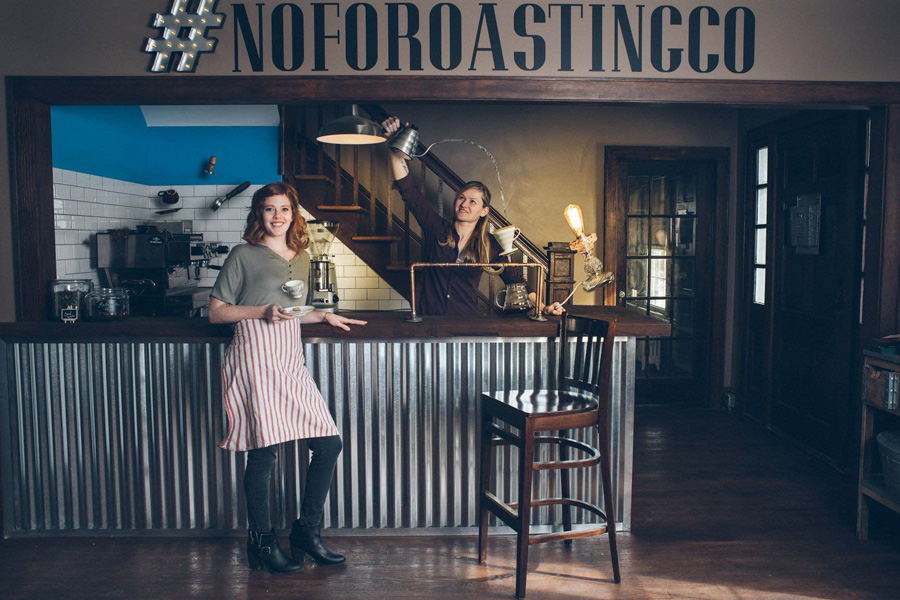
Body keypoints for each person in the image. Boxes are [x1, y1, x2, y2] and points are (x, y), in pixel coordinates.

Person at [208, 182, 366, 574]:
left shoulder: (301, 255)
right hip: (254, 355)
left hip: (288, 356)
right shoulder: (242, 255)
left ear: (294, 213)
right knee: (264, 452)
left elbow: (293, 311)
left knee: (328, 443)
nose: (277, 216)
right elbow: (216, 312)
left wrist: (324, 315)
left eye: (284, 209)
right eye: (269, 209)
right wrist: (260, 311)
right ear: (258, 214)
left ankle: (305, 532)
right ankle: (261, 541)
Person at [382, 117, 565, 317]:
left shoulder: (489, 244)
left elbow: (516, 281)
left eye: (472, 201)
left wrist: (543, 307)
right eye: (461, 197)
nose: (464, 204)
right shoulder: (436, 228)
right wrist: (393, 147)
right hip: (428, 320)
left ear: (484, 211)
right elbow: (409, 191)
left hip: (465, 323)